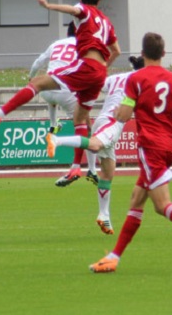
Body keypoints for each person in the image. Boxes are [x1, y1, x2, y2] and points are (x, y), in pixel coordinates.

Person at [88, 32, 172, 273]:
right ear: (163, 54)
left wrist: (120, 110)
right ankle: (113, 257)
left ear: (142, 54)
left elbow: (124, 114)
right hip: (168, 147)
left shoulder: (136, 79)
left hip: (150, 147)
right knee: (136, 199)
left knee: (162, 206)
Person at [0, 0, 121, 187]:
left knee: (39, 82)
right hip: (99, 73)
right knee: (80, 118)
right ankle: (77, 167)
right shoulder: (106, 21)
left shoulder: (84, 10)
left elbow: (72, 10)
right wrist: (103, 67)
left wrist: (48, 6)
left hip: (87, 66)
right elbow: (117, 51)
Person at [45, 55, 145, 235]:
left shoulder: (117, 78)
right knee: (95, 145)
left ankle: (104, 215)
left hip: (103, 119)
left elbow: (95, 85)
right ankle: (57, 140)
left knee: (108, 172)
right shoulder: (141, 81)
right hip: (113, 121)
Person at [26, 21, 99, 186]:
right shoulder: (83, 46)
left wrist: (31, 78)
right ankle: (79, 168)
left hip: (46, 89)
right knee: (85, 126)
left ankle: (53, 125)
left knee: (52, 93)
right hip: (65, 90)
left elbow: (38, 63)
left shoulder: (56, 44)